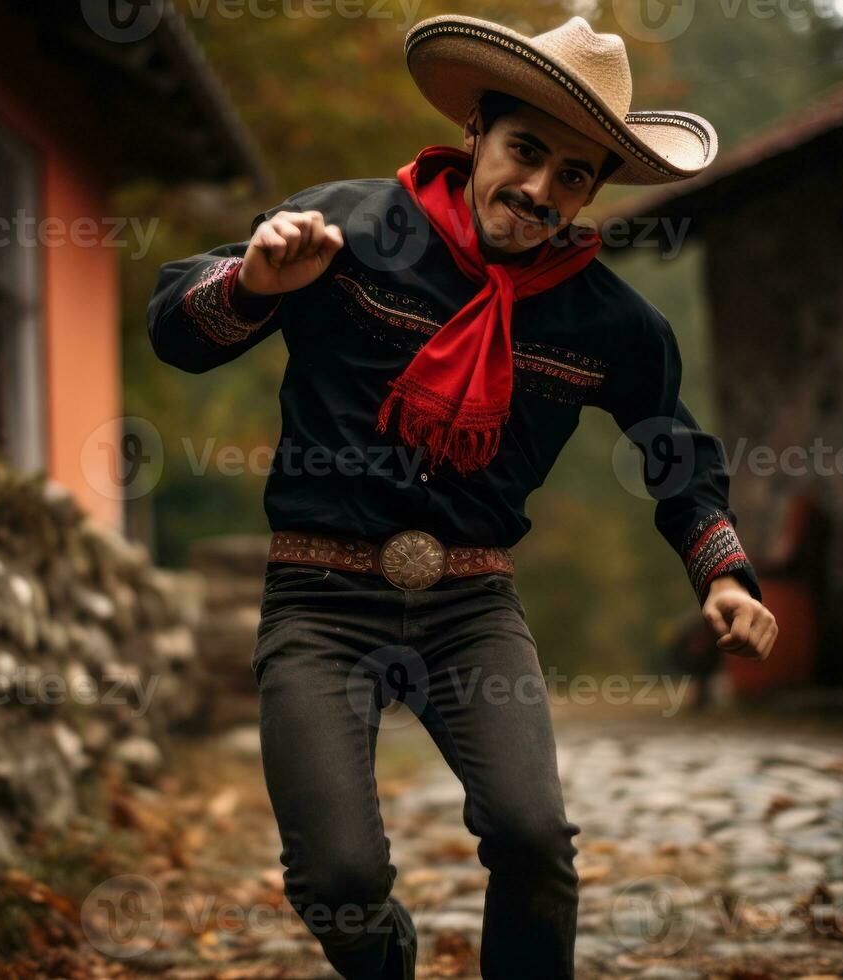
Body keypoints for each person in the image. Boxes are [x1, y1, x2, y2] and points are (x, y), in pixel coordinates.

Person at [147, 13, 777, 978]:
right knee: (339, 877)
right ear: (477, 132)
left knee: (533, 841)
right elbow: (178, 330)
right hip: (321, 602)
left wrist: (723, 577)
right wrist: (256, 281)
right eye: (525, 151)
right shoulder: (346, 228)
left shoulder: (610, 322)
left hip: (469, 607)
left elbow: (673, 451)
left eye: (573, 175)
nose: (538, 190)